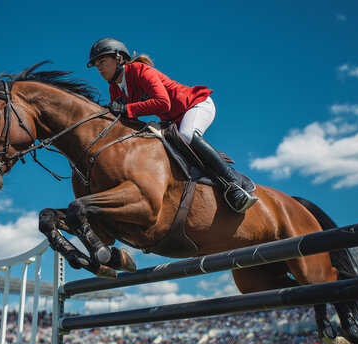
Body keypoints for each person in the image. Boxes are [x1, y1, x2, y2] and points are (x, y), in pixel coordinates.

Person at [87, 38, 257, 213]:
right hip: (173, 120)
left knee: (187, 136)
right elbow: (125, 119)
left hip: (195, 104)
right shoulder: (115, 89)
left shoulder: (140, 71)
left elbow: (163, 103)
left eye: (102, 61)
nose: (99, 68)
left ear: (119, 58)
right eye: (96, 65)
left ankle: (234, 184)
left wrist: (126, 108)